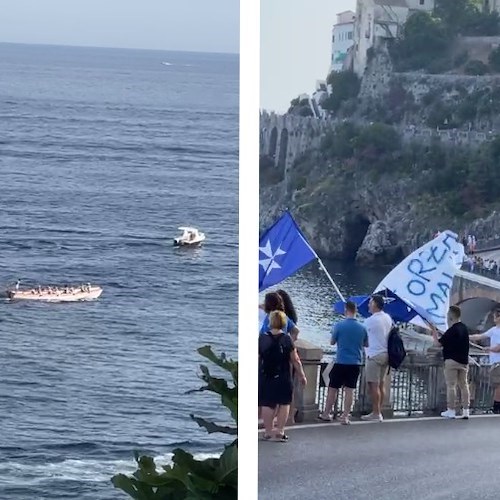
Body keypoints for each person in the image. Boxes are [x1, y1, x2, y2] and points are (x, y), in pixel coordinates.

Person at [259, 311, 307, 441]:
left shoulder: (262, 338)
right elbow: (295, 360)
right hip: (283, 375)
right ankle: (280, 430)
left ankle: (268, 432)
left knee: (267, 403)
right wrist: (302, 375)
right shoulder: (287, 339)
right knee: (284, 403)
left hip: (266, 375)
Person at [318, 301, 368, 425]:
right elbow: (366, 344)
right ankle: (345, 416)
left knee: (333, 388)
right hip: (355, 362)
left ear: (346, 310)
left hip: (340, 361)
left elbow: (332, 342)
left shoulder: (339, 325)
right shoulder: (362, 328)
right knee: (350, 390)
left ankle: (326, 413)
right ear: (356, 311)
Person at [430, 306, 470, 419]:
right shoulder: (464, 328)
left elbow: (438, 344)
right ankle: (466, 410)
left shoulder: (451, 330)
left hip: (451, 361)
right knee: (464, 385)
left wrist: (433, 331)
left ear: (451, 316)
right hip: (464, 361)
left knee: (451, 386)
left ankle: (451, 410)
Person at [361, 295, 392, 422]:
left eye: (370, 302)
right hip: (385, 354)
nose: (368, 305)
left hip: (374, 355)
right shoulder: (387, 318)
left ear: (374, 304)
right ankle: (379, 410)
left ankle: (376, 413)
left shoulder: (370, 321)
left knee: (373, 385)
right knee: (381, 384)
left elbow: (363, 336)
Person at [470, 307, 500, 414]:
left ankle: (497, 407)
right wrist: (467, 337)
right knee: (496, 385)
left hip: (498, 362)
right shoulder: (494, 329)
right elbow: (480, 336)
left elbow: (498, 348)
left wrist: (489, 349)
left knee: (498, 385)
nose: (493, 318)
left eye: (495, 316)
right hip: (494, 362)